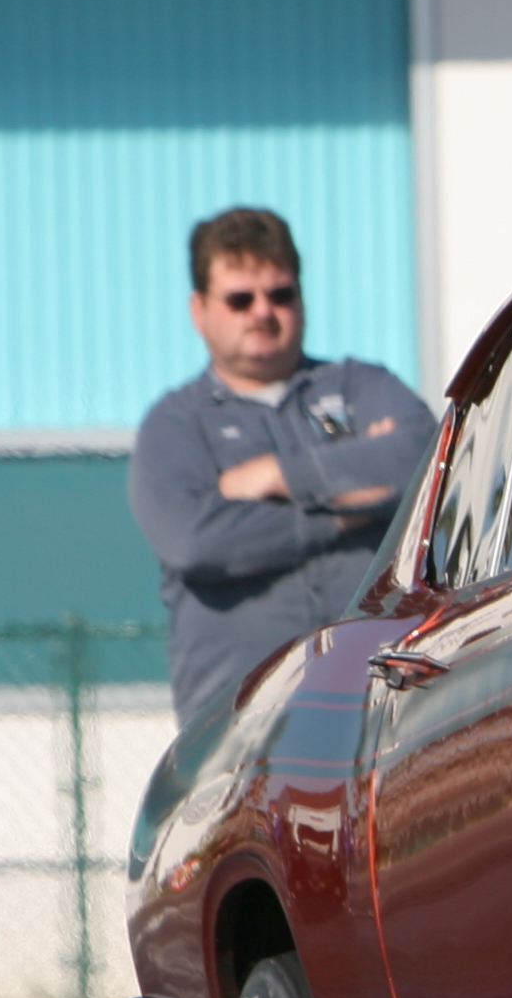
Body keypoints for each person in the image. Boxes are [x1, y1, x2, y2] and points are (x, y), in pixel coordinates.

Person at [130, 208, 437, 723]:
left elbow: (421, 460)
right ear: (199, 309)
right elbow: (197, 540)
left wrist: (275, 476)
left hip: (382, 709)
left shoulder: (360, 385)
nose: (262, 312)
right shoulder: (176, 425)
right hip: (243, 728)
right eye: (240, 299)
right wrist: (344, 510)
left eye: (281, 294)